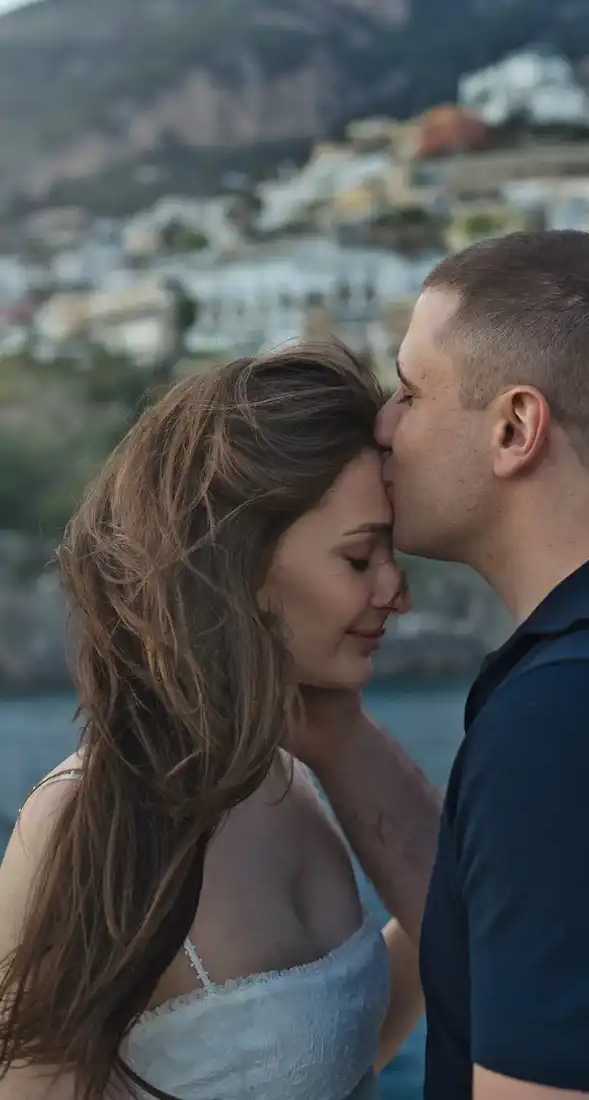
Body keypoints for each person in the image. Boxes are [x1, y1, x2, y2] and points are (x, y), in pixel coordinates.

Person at [314, 230, 589, 1100]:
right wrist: (335, 734)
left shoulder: (588, 722)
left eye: (410, 392)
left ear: (516, 427)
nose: (383, 424)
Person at [0, 343, 440, 1100]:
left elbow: (352, 1037)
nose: (397, 592)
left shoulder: (291, 781)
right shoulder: (88, 821)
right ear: (245, 569)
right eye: (359, 559)